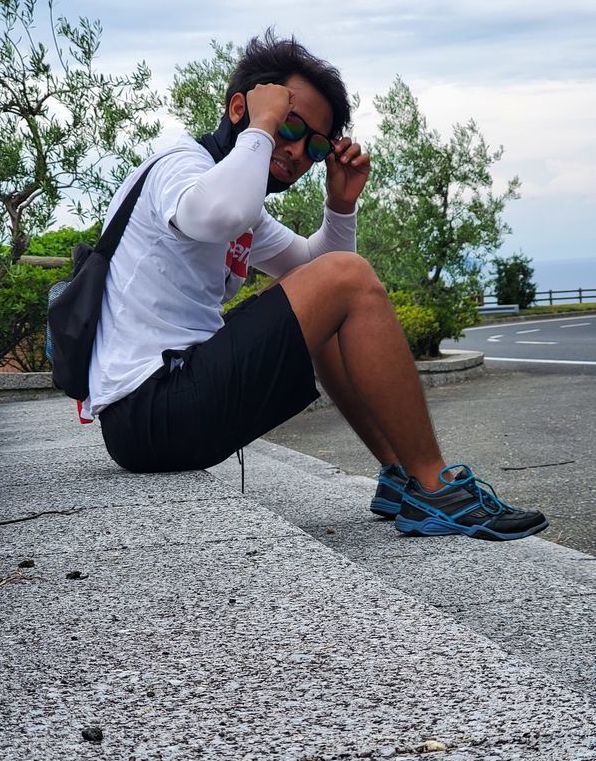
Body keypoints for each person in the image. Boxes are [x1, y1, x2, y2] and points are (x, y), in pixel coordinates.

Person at [87, 31, 547, 541]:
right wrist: (260, 128)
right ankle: (436, 487)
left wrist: (340, 206)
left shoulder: (236, 198)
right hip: (151, 408)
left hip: (163, 410)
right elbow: (216, 215)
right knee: (345, 280)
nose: (298, 151)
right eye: (289, 124)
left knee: (326, 296)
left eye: (316, 144)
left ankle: (400, 475)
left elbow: (317, 269)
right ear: (240, 106)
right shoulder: (182, 166)